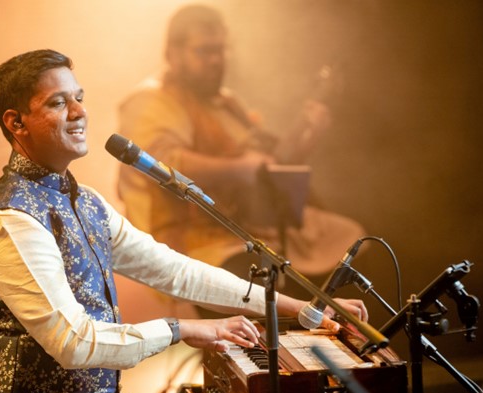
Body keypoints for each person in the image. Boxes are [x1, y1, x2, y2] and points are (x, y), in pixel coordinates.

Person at [0, 49, 368, 393]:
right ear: (16, 123)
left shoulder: (86, 202)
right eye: (58, 102)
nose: (80, 111)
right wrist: (182, 329)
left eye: (79, 98)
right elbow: (73, 343)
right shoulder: (8, 220)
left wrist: (302, 309)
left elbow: (175, 271)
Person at [116, 4, 365, 302]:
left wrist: (309, 133)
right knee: (258, 278)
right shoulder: (151, 99)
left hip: (243, 230)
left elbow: (267, 168)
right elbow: (162, 163)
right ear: (173, 54)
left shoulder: (226, 103)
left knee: (352, 245)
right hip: (192, 240)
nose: (216, 60)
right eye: (204, 51)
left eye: (221, 50)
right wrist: (238, 169)